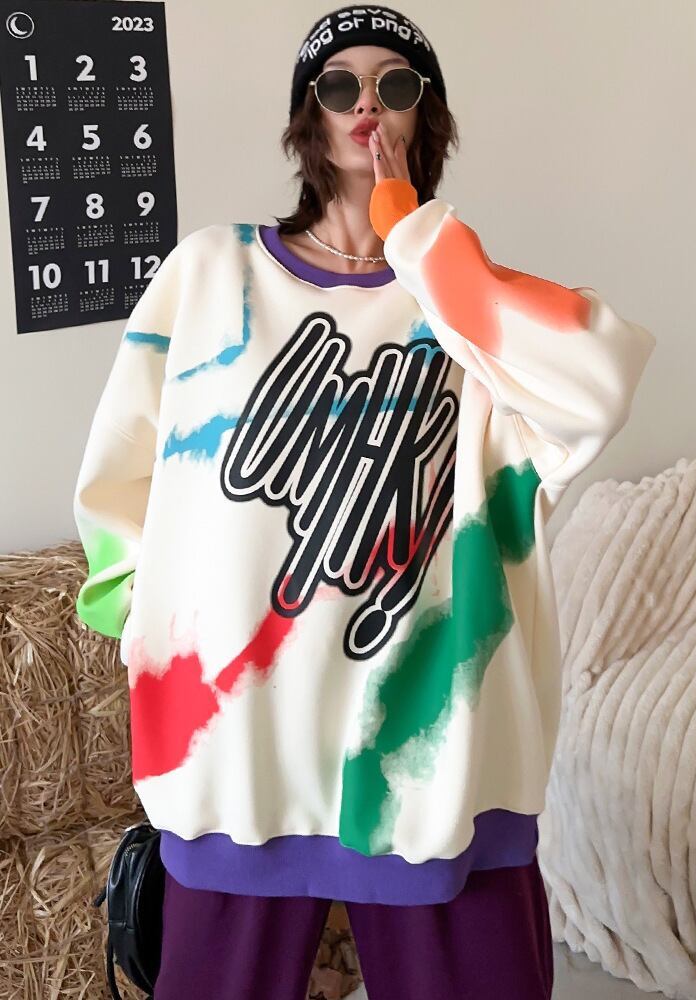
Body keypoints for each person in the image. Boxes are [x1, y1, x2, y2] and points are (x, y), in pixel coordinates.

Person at [72, 6, 656, 999]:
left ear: (429, 115)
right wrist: (148, 624)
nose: (367, 106)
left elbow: (597, 382)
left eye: (397, 85)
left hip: (430, 763)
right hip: (236, 754)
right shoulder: (211, 275)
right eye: (340, 84)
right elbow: (118, 477)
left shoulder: (466, 311)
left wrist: (416, 237)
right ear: (309, 114)